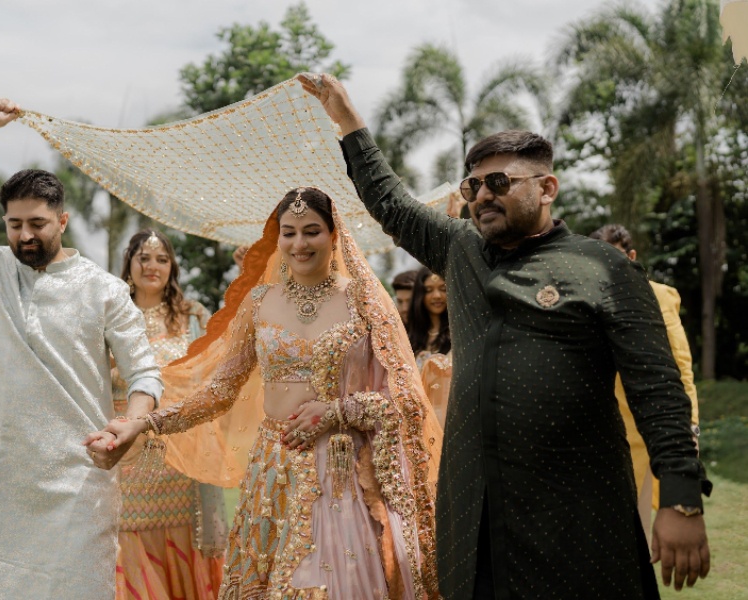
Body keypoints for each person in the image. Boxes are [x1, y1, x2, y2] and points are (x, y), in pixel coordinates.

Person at [299, 73, 711, 598]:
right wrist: (348, 121)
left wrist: (680, 499)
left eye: (500, 183)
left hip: (578, 520)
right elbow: (391, 203)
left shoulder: (601, 268)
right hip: (475, 519)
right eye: (473, 186)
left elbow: (659, 389)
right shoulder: (462, 251)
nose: (482, 196)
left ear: (547, 188)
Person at [88, 187, 444, 599]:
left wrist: (338, 411)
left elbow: (405, 398)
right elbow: (219, 391)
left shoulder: (364, 302)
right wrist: (145, 422)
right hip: (273, 472)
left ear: (334, 235)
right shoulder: (259, 302)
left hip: (341, 473)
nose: (299, 243)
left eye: (311, 231)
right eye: (288, 233)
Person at [0, 98, 164, 600]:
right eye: (14, 224)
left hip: (77, 481)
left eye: (37, 224)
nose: (24, 235)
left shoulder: (105, 289)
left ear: (63, 221)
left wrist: (130, 426)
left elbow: (145, 375)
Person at [113, 229, 227, 599]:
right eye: (144, 257)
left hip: (180, 459)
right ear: (129, 264)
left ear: (172, 267)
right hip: (127, 459)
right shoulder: (112, 317)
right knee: (129, 537)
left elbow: (216, 370)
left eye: (162, 259)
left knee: (183, 536)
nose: (152, 266)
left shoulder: (191, 316)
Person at [590, 223, 701, 540]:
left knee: (633, 532)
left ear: (632, 255)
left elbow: (680, 365)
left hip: (641, 433)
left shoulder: (660, 297)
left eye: (615, 256)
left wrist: (689, 426)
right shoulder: (583, 299)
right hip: (592, 431)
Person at [407, 268, 452, 428]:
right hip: (417, 422)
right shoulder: (410, 338)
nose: (437, 296)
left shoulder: (459, 336)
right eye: (429, 290)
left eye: (443, 289)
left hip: (449, 420)